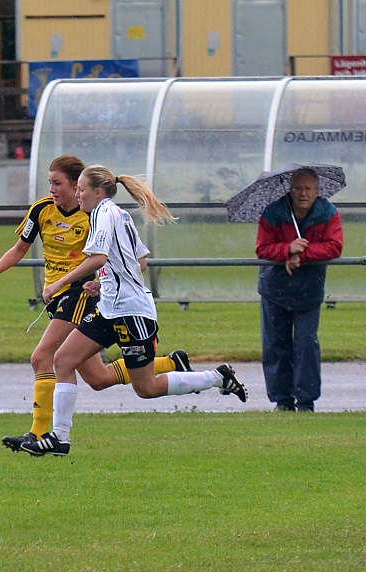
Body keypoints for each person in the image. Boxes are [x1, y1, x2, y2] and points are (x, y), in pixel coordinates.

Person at [19, 165, 248, 457]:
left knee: (147, 388)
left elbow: (100, 257)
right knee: (63, 360)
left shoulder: (104, 214)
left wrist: (60, 283)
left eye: (81, 189)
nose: (77, 193)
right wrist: (102, 285)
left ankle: (217, 377)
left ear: (98, 192)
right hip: (109, 309)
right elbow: (139, 262)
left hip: (132, 314)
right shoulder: (118, 215)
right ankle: (59, 438)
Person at [0, 155, 192, 454]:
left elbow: (123, 259)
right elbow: (19, 248)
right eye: (50, 182)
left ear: (78, 186)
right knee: (98, 379)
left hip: (79, 294)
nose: (52, 189)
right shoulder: (41, 210)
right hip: (56, 294)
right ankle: (170, 364)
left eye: (58, 183)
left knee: (43, 357)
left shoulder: (97, 215)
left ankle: (40, 434)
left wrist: (88, 282)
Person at [256, 167, 343, 412]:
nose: (303, 194)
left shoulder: (329, 214)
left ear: (317, 191)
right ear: (290, 190)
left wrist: (302, 254)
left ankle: (306, 401)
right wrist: (287, 249)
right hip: (275, 289)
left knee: (306, 344)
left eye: (308, 189)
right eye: (298, 188)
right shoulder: (273, 213)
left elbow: (334, 247)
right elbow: (262, 248)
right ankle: (282, 401)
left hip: (309, 290)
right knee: (276, 346)